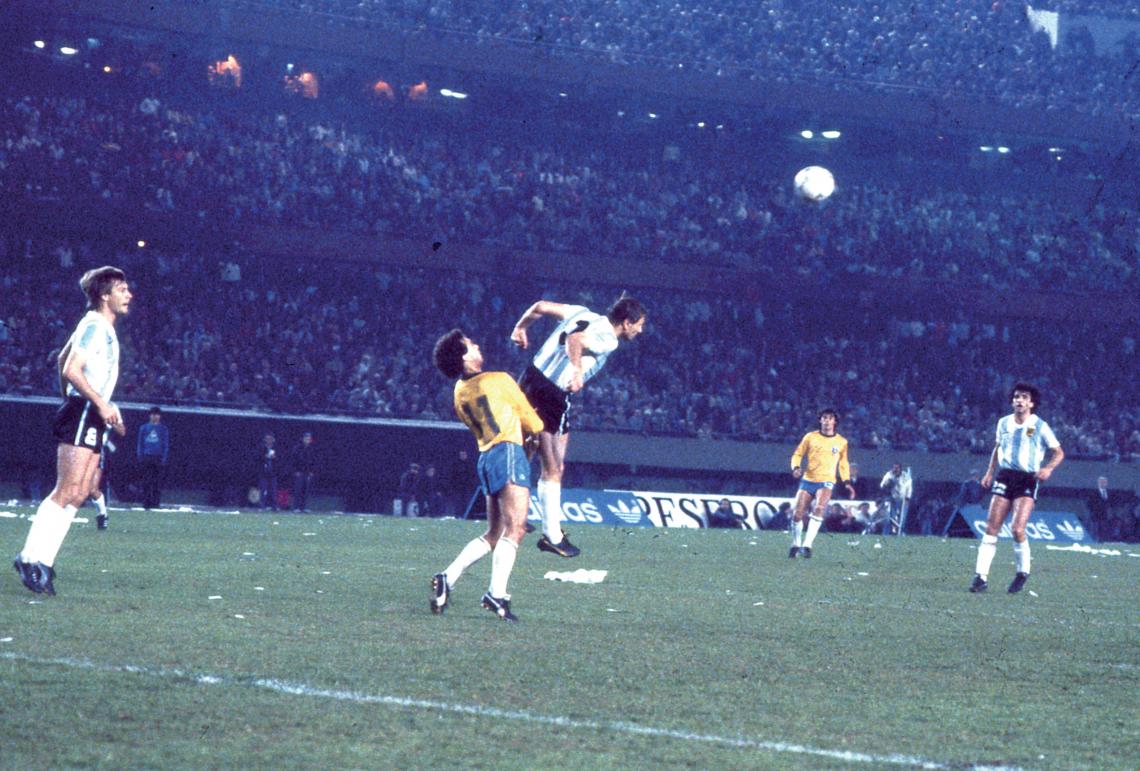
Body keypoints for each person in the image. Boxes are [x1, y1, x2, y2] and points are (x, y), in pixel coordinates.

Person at [13, 266, 132, 595]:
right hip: (83, 411)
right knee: (66, 490)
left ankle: (44, 562)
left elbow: (64, 357)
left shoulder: (102, 328)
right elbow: (70, 367)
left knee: (80, 493)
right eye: (122, 290)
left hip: (89, 410)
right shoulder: (94, 325)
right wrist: (88, 400)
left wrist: (104, 404)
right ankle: (29, 558)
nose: (128, 295)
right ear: (105, 295)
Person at [510, 295, 646, 558]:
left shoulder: (580, 312)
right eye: (639, 324)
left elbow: (539, 306)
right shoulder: (609, 339)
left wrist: (520, 327)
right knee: (553, 467)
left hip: (529, 378)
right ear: (627, 323)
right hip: (551, 391)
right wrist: (576, 370)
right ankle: (552, 536)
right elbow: (575, 340)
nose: (640, 330)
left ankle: (514, 514)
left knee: (525, 450)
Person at [430, 329, 544, 621]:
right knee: (516, 529)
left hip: (485, 458)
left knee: (494, 534)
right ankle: (496, 594)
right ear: (463, 357)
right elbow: (534, 423)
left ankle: (448, 577)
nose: (478, 345)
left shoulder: (459, 392)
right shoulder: (500, 380)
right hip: (507, 452)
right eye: (471, 344)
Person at [970, 383, 1064, 594]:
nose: (1019, 400)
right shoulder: (1003, 423)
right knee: (991, 527)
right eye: (1016, 397)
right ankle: (980, 577)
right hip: (1005, 476)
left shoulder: (1040, 426)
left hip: (1027, 479)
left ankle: (1023, 572)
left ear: (1031, 403)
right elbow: (997, 448)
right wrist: (989, 472)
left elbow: (1058, 452)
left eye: (1024, 397)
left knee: (1017, 529)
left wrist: (1048, 468)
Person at [788, 408, 855, 559]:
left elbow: (843, 463)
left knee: (819, 508)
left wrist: (846, 481)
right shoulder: (810, 437)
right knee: (797, 514)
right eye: (824, 418)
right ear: (820, 420)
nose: (827, 421)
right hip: (808, 480)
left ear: (835, 421)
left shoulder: (841, 442)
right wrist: (796, 467)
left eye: (830, 418)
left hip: (827, 481)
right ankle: (796, 544)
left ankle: (807, 545)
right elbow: (798, 454)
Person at [88, 422, 125, 530]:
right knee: (73, 485)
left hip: (96, 450)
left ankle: (102, 514)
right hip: (78, 449)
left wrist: (111, 422)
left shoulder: (109, 408)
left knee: (92, 489)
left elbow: (122, 431)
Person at [136, 406, 169, 509]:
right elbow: (140, 443)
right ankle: (146, 502)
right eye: (153, 414)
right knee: (146, 481)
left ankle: (156, 503)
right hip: (146, 457)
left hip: (158, 457)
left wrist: (164, 458)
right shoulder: (144, 428)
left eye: (157, 415)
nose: (155, 417)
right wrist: (140, 456)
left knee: (157, 482)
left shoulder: (163, 429)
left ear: (160, 416)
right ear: (150, 416)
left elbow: (165, 444)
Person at [879, 463, 913, 535]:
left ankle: (900, 531)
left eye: (897, 468)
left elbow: (909, 487)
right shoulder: (889, 474)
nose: (895, 470)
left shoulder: (906, 476)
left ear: (900, 469)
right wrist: (887, 483)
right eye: (894, 468)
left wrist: (908, 497)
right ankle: (887, 532)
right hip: (892, 497)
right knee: (890, 516)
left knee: (902, 517)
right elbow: (882, 485)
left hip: (903, 498)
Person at [291, 431, 315, 512]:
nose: (307, 440)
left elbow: (313, 461)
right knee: (298, 489)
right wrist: (296, 471)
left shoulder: (311, 449)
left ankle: (303, 507)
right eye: (306, 438)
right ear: (303, 439)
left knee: (305, 490)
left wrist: (311, 471)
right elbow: (293, 460)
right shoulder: (297, 448)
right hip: (299, 472)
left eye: (309, 438)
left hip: (307, 473)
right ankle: (296, 507)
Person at [257, 433, 279, 510]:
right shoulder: (261, 448)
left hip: (273, 472)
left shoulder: (276, 448)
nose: (269, 440)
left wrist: (274, 458)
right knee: (263, 489)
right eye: (267, 439)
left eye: (270, 439)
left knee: (273, 490)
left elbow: (280, 460)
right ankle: (262, 505)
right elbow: (257, 458)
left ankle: (273, 506)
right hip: (263, 472)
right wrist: (264, 457)